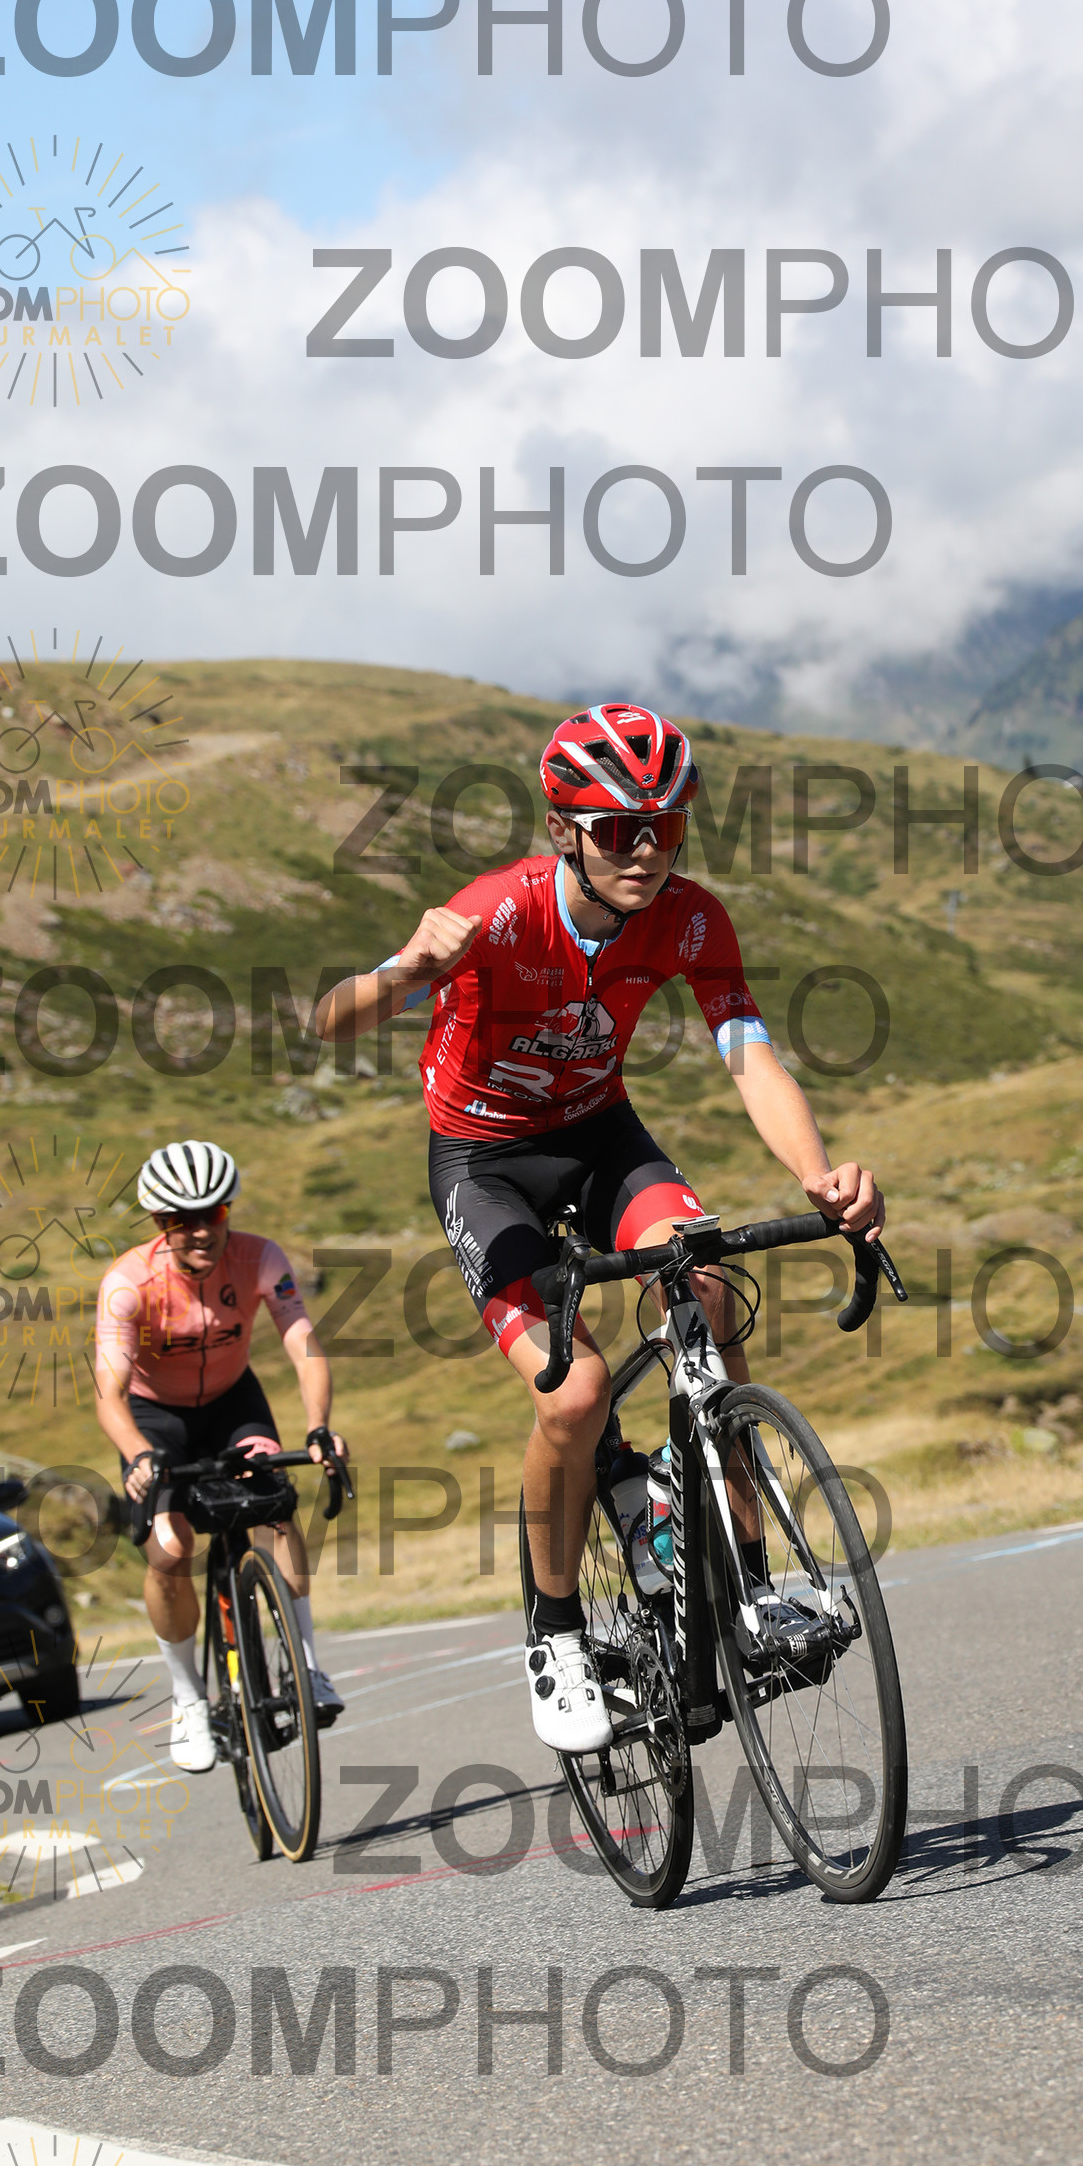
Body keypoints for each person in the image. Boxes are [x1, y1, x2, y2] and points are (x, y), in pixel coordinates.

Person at [315, 703, 882, 1755]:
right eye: (619, 830)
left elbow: (750, 1055)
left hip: (598, 1135)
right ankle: (557, 1633)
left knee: (706, 1286)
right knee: (573, 1395)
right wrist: (406, 968)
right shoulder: (497, 912)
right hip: (484, 1165)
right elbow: (328, 1019)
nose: (645, 852)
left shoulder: (693, 919)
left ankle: (753, 1586)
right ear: (564, 830)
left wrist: (818, 1175)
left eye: (666, 829)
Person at [94, 1139, 348, 1773]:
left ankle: (308, 1668)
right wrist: (137, 1455)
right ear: (160, 1222)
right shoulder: (128, 1283)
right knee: (170, 1549)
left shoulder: (261, 1259)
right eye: (182, 1219)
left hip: (234, 1403)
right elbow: (110, 1393)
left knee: (277, 1510)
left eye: (213, 1213)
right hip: (156, 1418)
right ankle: (188, 1699)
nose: (201, 1230)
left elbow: (304, 1345)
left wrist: (319, 1427)